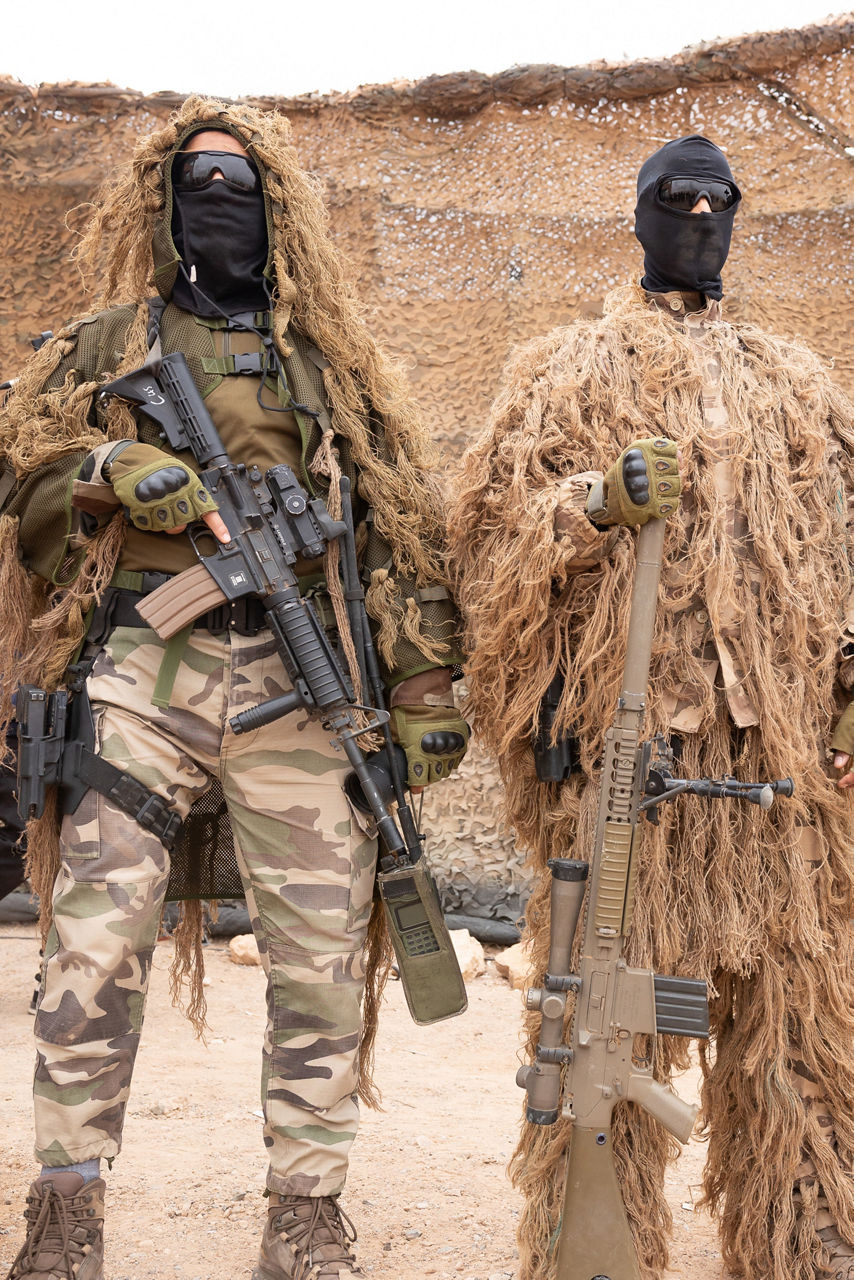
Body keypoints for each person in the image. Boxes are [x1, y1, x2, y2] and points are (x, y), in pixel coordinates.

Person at [0, 96, 467, 1280]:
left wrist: (419, 689)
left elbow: (401, 533)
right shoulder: (108, 345)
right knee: (92, 941)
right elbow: (20, 458)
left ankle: (303, 1213)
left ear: (279, 213)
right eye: (199, 183)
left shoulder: (328, 370)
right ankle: (65, 1211)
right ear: (164, 205)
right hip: (140, 672)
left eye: (243, 185)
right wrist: (112, 465)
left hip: (301, 682)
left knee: (317, 955)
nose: (223, 202)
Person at [450, 135, 854, 1280]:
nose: (695, 216)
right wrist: (592, 503)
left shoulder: (795, 385)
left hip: (778, 788)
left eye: (715, 202)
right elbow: (485, 544)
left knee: (796, 1029)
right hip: (633, 779)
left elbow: (841, 551)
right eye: (672, 202)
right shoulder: (567, 373)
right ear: (638, 218)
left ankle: (805, 1237)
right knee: (603, 1025)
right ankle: (596, 1247)